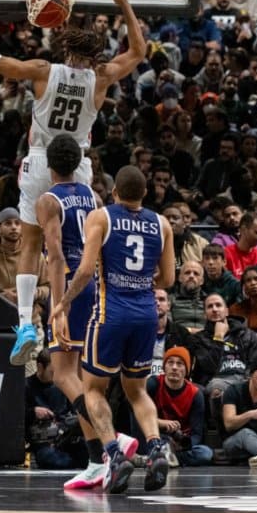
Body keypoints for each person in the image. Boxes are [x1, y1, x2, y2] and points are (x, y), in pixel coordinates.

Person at [0, 0, 147, 366]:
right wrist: (123, 3)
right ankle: (85, 313)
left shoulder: (43, 70)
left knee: (33, 244)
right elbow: (138, 51)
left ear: (66, 50)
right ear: (94, 55)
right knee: (79, 247)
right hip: (79, 167)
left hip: (41, 162)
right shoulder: (101, 77)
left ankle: (25, 324)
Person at [50, 166, 175, 494]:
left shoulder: (101, 217)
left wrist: (62, 303)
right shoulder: (162, 223)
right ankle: (156, 448)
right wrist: (140, 281)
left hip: (111, 313)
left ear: (114, 192)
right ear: (145, 193)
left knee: (93, 389)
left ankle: (114, 455)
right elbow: (168, 279)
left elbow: (84, 271)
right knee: (138, 391)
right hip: (146, 313)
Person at [35, 134, 136, 489]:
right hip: (93, 284)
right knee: (81, 377)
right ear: (78, 163)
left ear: (48, 165)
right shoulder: (92, 196)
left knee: (62, 375)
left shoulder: (48, 201)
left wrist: (58, 307)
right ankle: (96, 462)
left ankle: (113, 441)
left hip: (69, 286)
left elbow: (56, 256)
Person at [145, 346, 213, 467]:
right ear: (164, 367)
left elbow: (196, 434)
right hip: (155, 436)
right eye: (170, 363)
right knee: (152, 442)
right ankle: (163, 454)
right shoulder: (153, 384)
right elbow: (139, 416)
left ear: (186, 370)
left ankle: (165, 457)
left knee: (205, 453)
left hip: (179, 444)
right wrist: (160, 423)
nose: (174, 367)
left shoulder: (195, 394)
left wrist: (184, 445)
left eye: (180, 364)